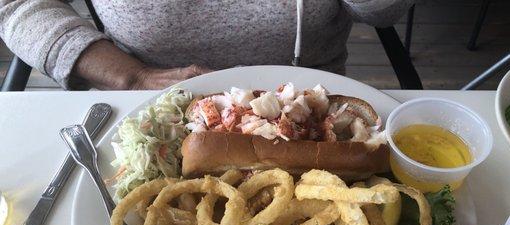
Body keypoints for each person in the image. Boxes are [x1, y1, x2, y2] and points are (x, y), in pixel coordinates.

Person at [0, 0, 414, 90]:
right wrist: (133, 76)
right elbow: (17, 5)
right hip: (148, 109)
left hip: (316, 105)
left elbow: (381, 10)